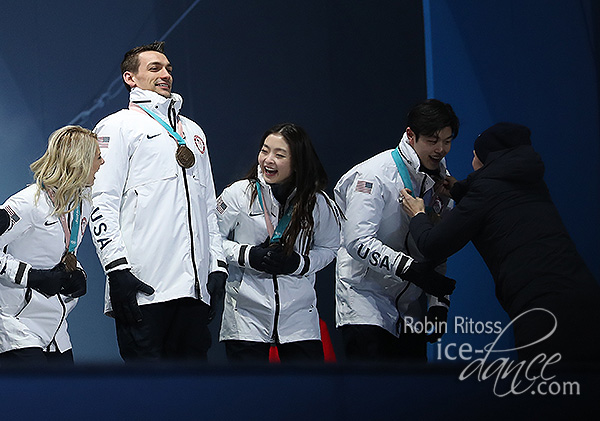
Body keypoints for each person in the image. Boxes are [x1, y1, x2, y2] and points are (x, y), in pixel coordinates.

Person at [401, 122, 600, 363]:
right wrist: (460, 191)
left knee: (546, 392)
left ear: (485, 158)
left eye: (475, 154)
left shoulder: (485, 191)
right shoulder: (531, 181)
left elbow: (432, 244)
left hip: (541, 308)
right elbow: (498, 202)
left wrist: (418, 215)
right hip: (586, 299)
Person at [90, 41, 228, 362]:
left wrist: (217, 265)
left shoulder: (193, 131)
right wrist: (116, 269)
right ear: (130, 78)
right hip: (143, 286)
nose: (165, 74)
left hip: (194, 289)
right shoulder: (116, 126)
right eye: (155, 68)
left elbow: (207, 204)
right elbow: (100, 202)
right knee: (148, 397)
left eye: (168, 69)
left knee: (193, 396)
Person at [334, 99, 459, 362]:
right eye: (433, 140)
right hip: (364, 301)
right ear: (411, 136)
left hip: (410, 308)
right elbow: (356, 241)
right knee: (370, 395)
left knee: (409, 397)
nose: (440, 149)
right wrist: (409, 268)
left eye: (447, 141)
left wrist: (438, 303)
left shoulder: (442, 182)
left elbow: (436, 245)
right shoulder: (373, 174)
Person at [216, 123, 341, 363]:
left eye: (279, 155)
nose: (268, 160)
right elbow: (211, 238)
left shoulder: (316, 202)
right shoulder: (238, 194)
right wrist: (247, 255)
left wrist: (300, 263)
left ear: (298, 163)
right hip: (245, 318)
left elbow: (330, 248)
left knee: (305, 396)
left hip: (299, 320)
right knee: (252, 398)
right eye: (264, 151)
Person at [0, 125, 103, 365]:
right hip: (16, 328)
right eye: (97, 157)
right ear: (80, 161)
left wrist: (78, 274)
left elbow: (61, 251)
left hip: (56, 330)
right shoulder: (27, 202)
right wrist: (32, 276)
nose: (103, 162)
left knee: (66, 401)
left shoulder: (81, 203)